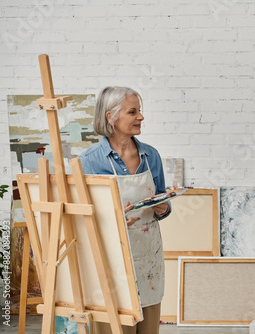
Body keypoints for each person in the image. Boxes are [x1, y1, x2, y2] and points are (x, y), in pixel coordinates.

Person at [79, 86, 171, 334]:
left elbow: (162, 200)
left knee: (148, 327)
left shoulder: (151, 155)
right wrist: (112, 219)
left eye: (140, 111)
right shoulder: (88, 161)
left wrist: (163, 207)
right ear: (110, 117)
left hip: (148, 257)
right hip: (110, 260)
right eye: (133, 112)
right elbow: (80, 217)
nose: (140, 117)